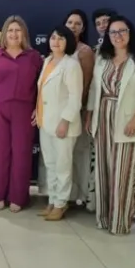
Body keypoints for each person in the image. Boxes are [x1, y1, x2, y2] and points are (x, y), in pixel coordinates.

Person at [87, 16, 135, 235]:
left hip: (127, 120)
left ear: (130, 32)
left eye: (122, 31)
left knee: (123, 174)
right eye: (113, 32)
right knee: (104, 171)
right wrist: (90, 115)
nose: (118, 36)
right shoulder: (102, 57)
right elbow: (93, 89)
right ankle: (105, 218)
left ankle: (120, 221)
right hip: (102, 116)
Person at [0, 15, 42, 212]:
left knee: (21, 153)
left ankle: (18, 197)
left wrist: (39, 109)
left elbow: (42, 85)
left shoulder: (34, 57)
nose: (14, 34)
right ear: (4, 33)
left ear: (24, 34)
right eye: (11, 30)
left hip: (24, 110)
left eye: (18, 30)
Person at [35, 25, 83, 221]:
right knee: (51, 164)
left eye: (61, 38)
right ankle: (53, 201)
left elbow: (75, 97)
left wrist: (65, 121)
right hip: (45, 121)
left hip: (63, 125)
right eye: (53, 37)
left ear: (68, 42)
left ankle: (62, 203)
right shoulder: (47, 61)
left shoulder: (71, 65)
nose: (56, 41)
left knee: (63, 167)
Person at [64, 8, 98, 211]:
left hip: (77, 110)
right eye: (70, 22)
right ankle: (64, 193)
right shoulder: (58, 46)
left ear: (83, 28)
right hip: (59, 111)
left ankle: (78, 194)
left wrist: (78, 109)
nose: (73, 26)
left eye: (77, 23)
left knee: (77, 153)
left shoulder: (85, 51)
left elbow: (85, 84)